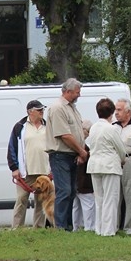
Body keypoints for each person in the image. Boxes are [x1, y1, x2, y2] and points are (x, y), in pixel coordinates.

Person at [45, 78, 88, 231]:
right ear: (68, 92)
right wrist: (82, 151)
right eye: (77, 92)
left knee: (71, 191)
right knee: (64, 191)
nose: (79, 95)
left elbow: (77, 133)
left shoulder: (72, 108)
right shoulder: (58, 108)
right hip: (60, 155)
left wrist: (78, 151)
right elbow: (64, 135)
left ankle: (68, 226)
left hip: (71, 155)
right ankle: (61, 227)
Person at [7, 99, 50, 229]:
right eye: (39, 110)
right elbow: (12, 148)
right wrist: (14, 168)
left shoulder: (47, 126)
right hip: (25, 172)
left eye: (42, 109)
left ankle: (39, 228)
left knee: (41, 201)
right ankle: (17, 228)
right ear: (30, 112)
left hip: (43, 170)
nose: (42, 112)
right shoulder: (20, 127)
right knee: (21, 199)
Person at [86, 98, 126, 237]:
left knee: (99, 199)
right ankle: (108, 231)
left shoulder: (94, 128)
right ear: (112, 112)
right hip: (109, 165)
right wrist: (122, 159)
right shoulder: (112, 128)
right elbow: (121, 149)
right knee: (111, 198)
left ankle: (99, 228)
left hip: (94, 165)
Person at [113, 98, 131, 235]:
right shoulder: (113, 126)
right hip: (115, 161)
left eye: (119, 110)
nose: (116, 113)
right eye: (115, 109)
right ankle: (114, 225)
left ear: (128, 111)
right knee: (115, 195)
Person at [72, 119, 95, 232]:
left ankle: (76, 227)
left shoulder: (77, 145)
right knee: (88, 204)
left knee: (76, 206)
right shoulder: (83, 147)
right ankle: (89, 228)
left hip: (75, 182)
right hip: (83, 182)